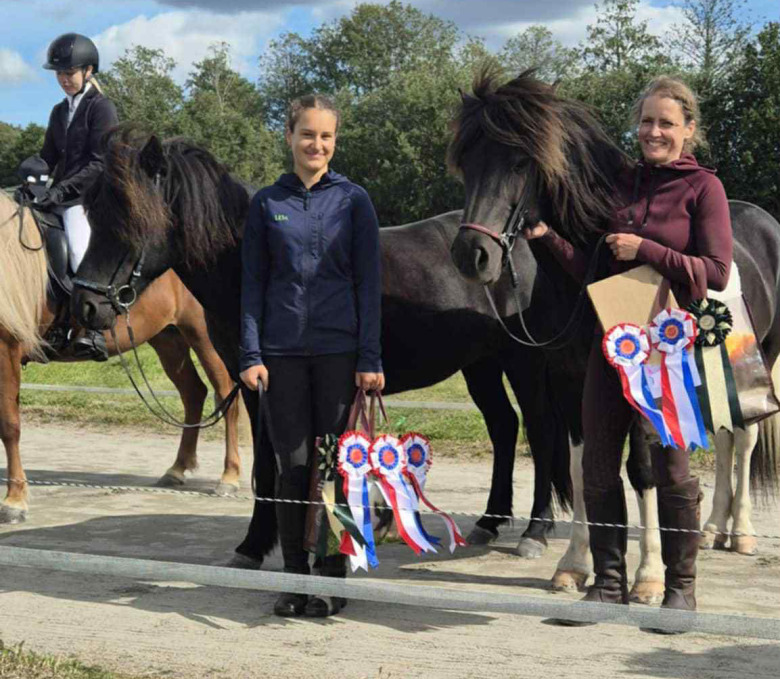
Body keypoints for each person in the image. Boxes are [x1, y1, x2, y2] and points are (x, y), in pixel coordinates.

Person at [526, 76, 732, 630]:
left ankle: (681, 591)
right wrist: (547, 237)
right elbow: (592, 270)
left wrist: (649, 249)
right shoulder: (619, 184)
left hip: (668, 347)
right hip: (611, 344)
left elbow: (715, 271)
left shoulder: (702, 189)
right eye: (647, 121)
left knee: (670, 469)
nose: (654, 131)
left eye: (667, 122)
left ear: (688, 129)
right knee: (597, 463)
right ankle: (608, 584)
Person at [239, 94, 384, 618]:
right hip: (279, 356)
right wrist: (251, 353)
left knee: (337, 468)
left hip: (339, 354)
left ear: (334, 142)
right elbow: (252, 285)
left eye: (326, 136)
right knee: (291, 467)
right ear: (289, 137)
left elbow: (369, 285)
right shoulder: (264, 203)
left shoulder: (354, 201)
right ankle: (294, 577)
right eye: (307, 134)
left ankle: (332, 576)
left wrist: (370, 357)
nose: (316, 145)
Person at [39, 32, 118, 360]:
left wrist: (61, 189)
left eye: (68, 73)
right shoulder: (59, 111)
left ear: (88, 71)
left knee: (79, 251)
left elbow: (101, 163)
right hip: (59, 196)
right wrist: (34, 177)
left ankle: (94, 330)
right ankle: (53, 320)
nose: (63, 79)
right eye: (59, 74)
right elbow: (47, 157)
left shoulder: (101, 108)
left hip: (88, 199)